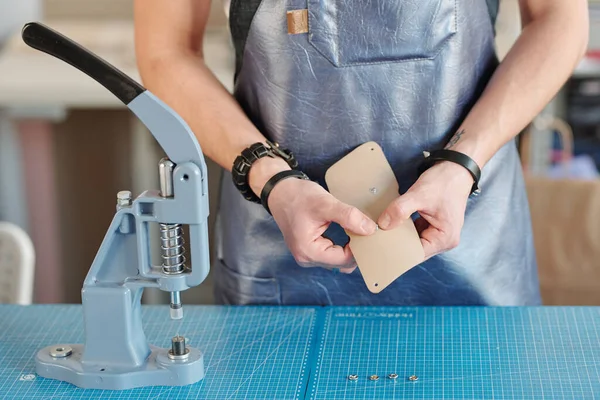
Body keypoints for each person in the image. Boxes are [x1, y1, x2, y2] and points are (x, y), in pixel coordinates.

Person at [133, 0, 589, 306]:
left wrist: (463, 161)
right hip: (281, 241)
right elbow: (166, 51)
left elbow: (558, 19)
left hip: (471, 238)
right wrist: (272, 180)